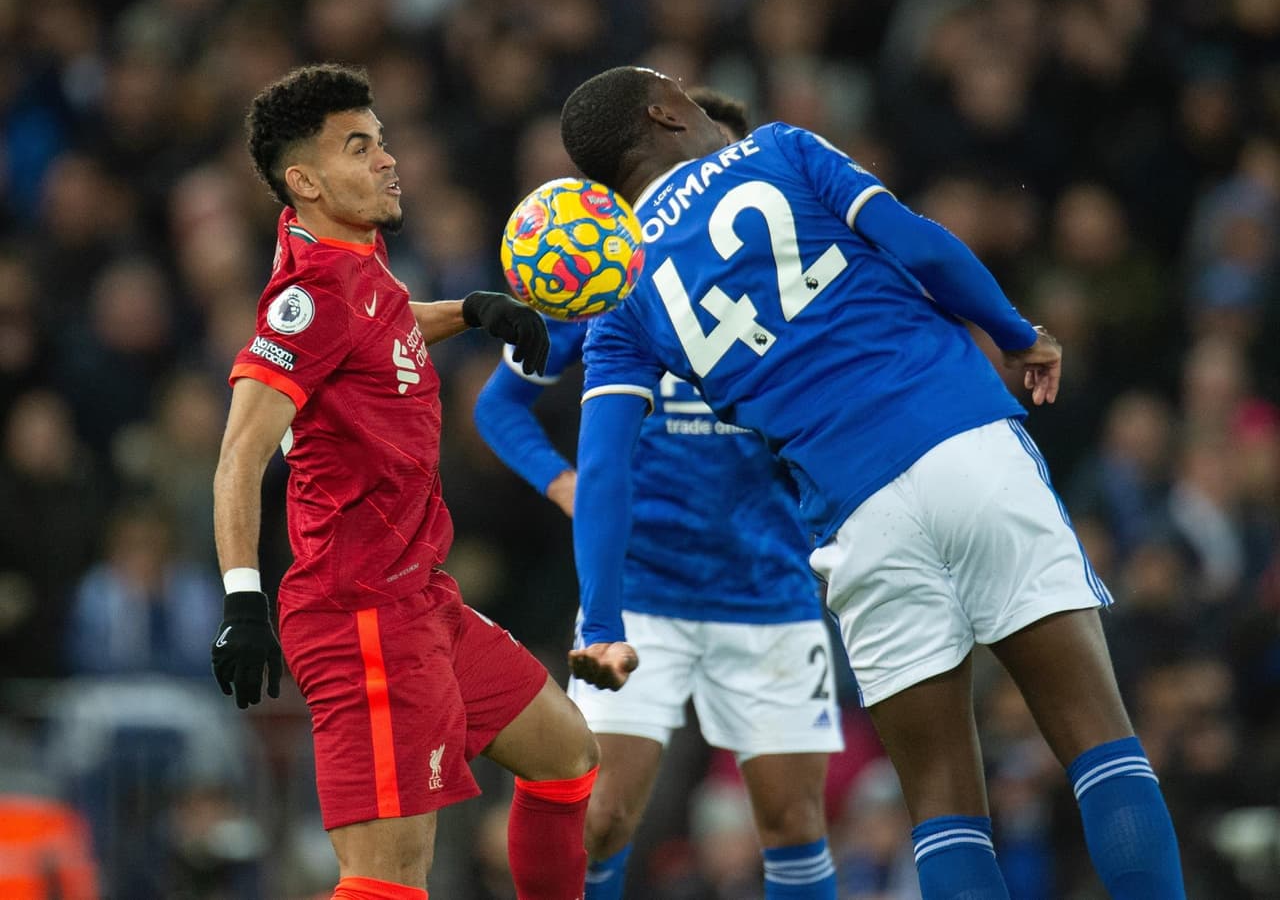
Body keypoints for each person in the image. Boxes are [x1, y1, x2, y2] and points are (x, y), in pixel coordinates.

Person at [558, 66, 1186, 900]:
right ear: (665, 112)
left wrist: (602, 620)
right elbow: (919, 241)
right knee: (1099, 742)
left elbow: (603, 469)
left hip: (855, 523)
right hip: (960, 442)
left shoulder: (620, 294)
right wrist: (1014, 332)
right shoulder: (779, 151)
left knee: (940, 806)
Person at [210, 64, 599, 900]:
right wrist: (242, 602)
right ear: (305, 181)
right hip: (361, 620)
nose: (388, 160)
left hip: (423, 597)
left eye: (382, 141)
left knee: (566, 755)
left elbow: (380, 321)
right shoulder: (306, 297)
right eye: (361, 147)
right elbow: (241, 454)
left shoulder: (356, 260)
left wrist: (470, 311)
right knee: (387, 879)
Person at [474, 91, 844, 900]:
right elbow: (495, 409)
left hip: (770, 587)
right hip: (646, 593)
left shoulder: (798, 286)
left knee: (792, 825)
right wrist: (564, 481)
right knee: (601, 818)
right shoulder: (612, 279)